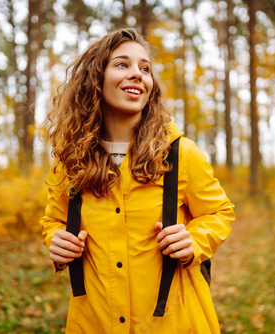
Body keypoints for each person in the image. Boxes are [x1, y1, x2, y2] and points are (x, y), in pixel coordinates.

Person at [40, 27, 235, 333]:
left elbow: (220, 213)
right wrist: (56, 240)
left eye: (145, 68)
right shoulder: (70, 162)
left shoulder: (180, 153)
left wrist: (194, 239)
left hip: (173, 323)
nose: (137, 74)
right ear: (95, 78)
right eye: (122, 64)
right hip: (93, 322)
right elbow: (54, 220)